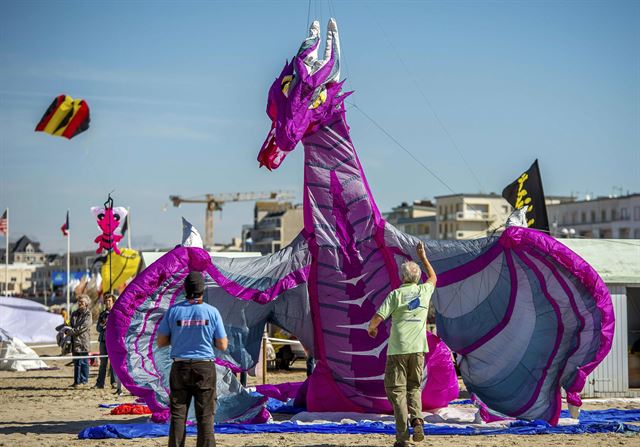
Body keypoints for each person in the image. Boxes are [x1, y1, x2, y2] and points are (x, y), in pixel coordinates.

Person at [368, 241, 437, 447]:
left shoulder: (396, 294)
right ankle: (417, 419)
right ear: (417, 278)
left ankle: (402, 436)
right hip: (418, 349)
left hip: (398, 348)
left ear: (402, 277)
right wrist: (423, 257)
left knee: (396, 390)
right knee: (414, 387)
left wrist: (372, 329)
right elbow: (433, 277)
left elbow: (378, 317)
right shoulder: (425, 291)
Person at [157, 271, 228, 447]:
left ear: (185, 289)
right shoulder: (212, 312)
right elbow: (222, 345)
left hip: (180, 367)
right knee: (205, 416)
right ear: (203, 290)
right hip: (204, 367)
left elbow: (161, 341)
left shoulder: (173, 311)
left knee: (178, 415)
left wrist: (180, 336)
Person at [70, 294, 93, 387]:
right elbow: (71, 323)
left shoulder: (88, 314)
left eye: (82, 302)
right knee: (76, 362)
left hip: (83, 341)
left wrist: (72, 331)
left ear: (86, 303)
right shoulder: (74, 313)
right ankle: (76, 381)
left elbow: (84, 326)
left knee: (83, 362)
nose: (80, 303)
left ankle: (84, 381)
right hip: (75, 342)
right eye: (79, 302)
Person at [95, 294, 116, 389]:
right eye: (106, 301)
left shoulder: (116, 313)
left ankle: (114, 382)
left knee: (113, 363)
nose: (107, 302)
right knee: (103, 363)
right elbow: (98, 328)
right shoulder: (102, 314)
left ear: (113, 302)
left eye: (109, 301)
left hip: (113, 341)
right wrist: (103, 325)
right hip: (103, 340)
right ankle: (100, 383)